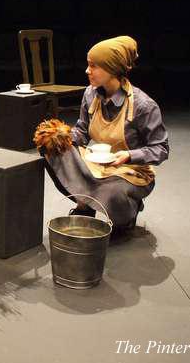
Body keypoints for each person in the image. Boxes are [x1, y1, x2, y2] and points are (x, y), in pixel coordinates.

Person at [36, 36, 169, 233]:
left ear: (112, 69)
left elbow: (161, 148)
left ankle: (129, 210)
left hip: (131, 172)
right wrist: (61, 137)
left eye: (93, 66)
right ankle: (86, 204)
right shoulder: (90, 94)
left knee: (111, 192)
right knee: (53, 151)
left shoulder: (143, 105)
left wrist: (129, 155)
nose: (87, 70)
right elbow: (81, 131)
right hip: (100, 165)